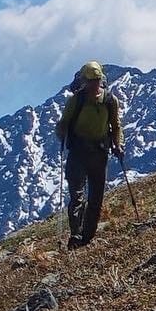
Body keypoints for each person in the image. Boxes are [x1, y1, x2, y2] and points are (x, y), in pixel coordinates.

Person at [54, 60, 124, 247]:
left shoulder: (110, 101)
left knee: (95, 198)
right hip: (79, 153)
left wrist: (118, 144)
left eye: (96, 81)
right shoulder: (77, 101)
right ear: (85, 82)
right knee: (77, 195)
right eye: (91, 81)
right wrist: (62, 133)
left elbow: (116, 125)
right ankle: (77, 234)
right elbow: (64, 123)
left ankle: (86, 236)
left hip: (98, 153)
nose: (94, 85)